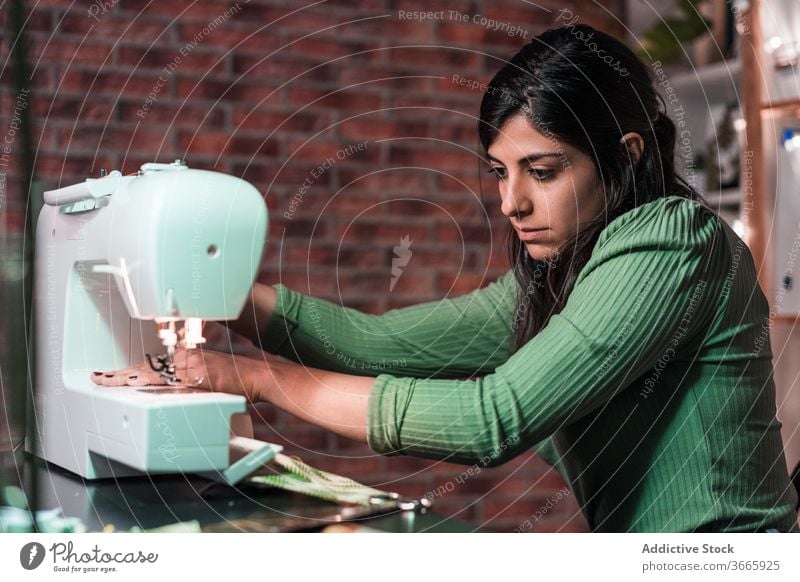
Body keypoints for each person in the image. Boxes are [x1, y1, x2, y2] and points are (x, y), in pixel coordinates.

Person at [94, 24, 799, 532]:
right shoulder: (565, 273)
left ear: (626, 155)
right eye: (501, 173)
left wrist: (250, 378)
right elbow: (378, 343)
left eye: (542, 172)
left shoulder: (673, 244)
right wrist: (215, 294)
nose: (511, 203)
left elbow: (493, 419)